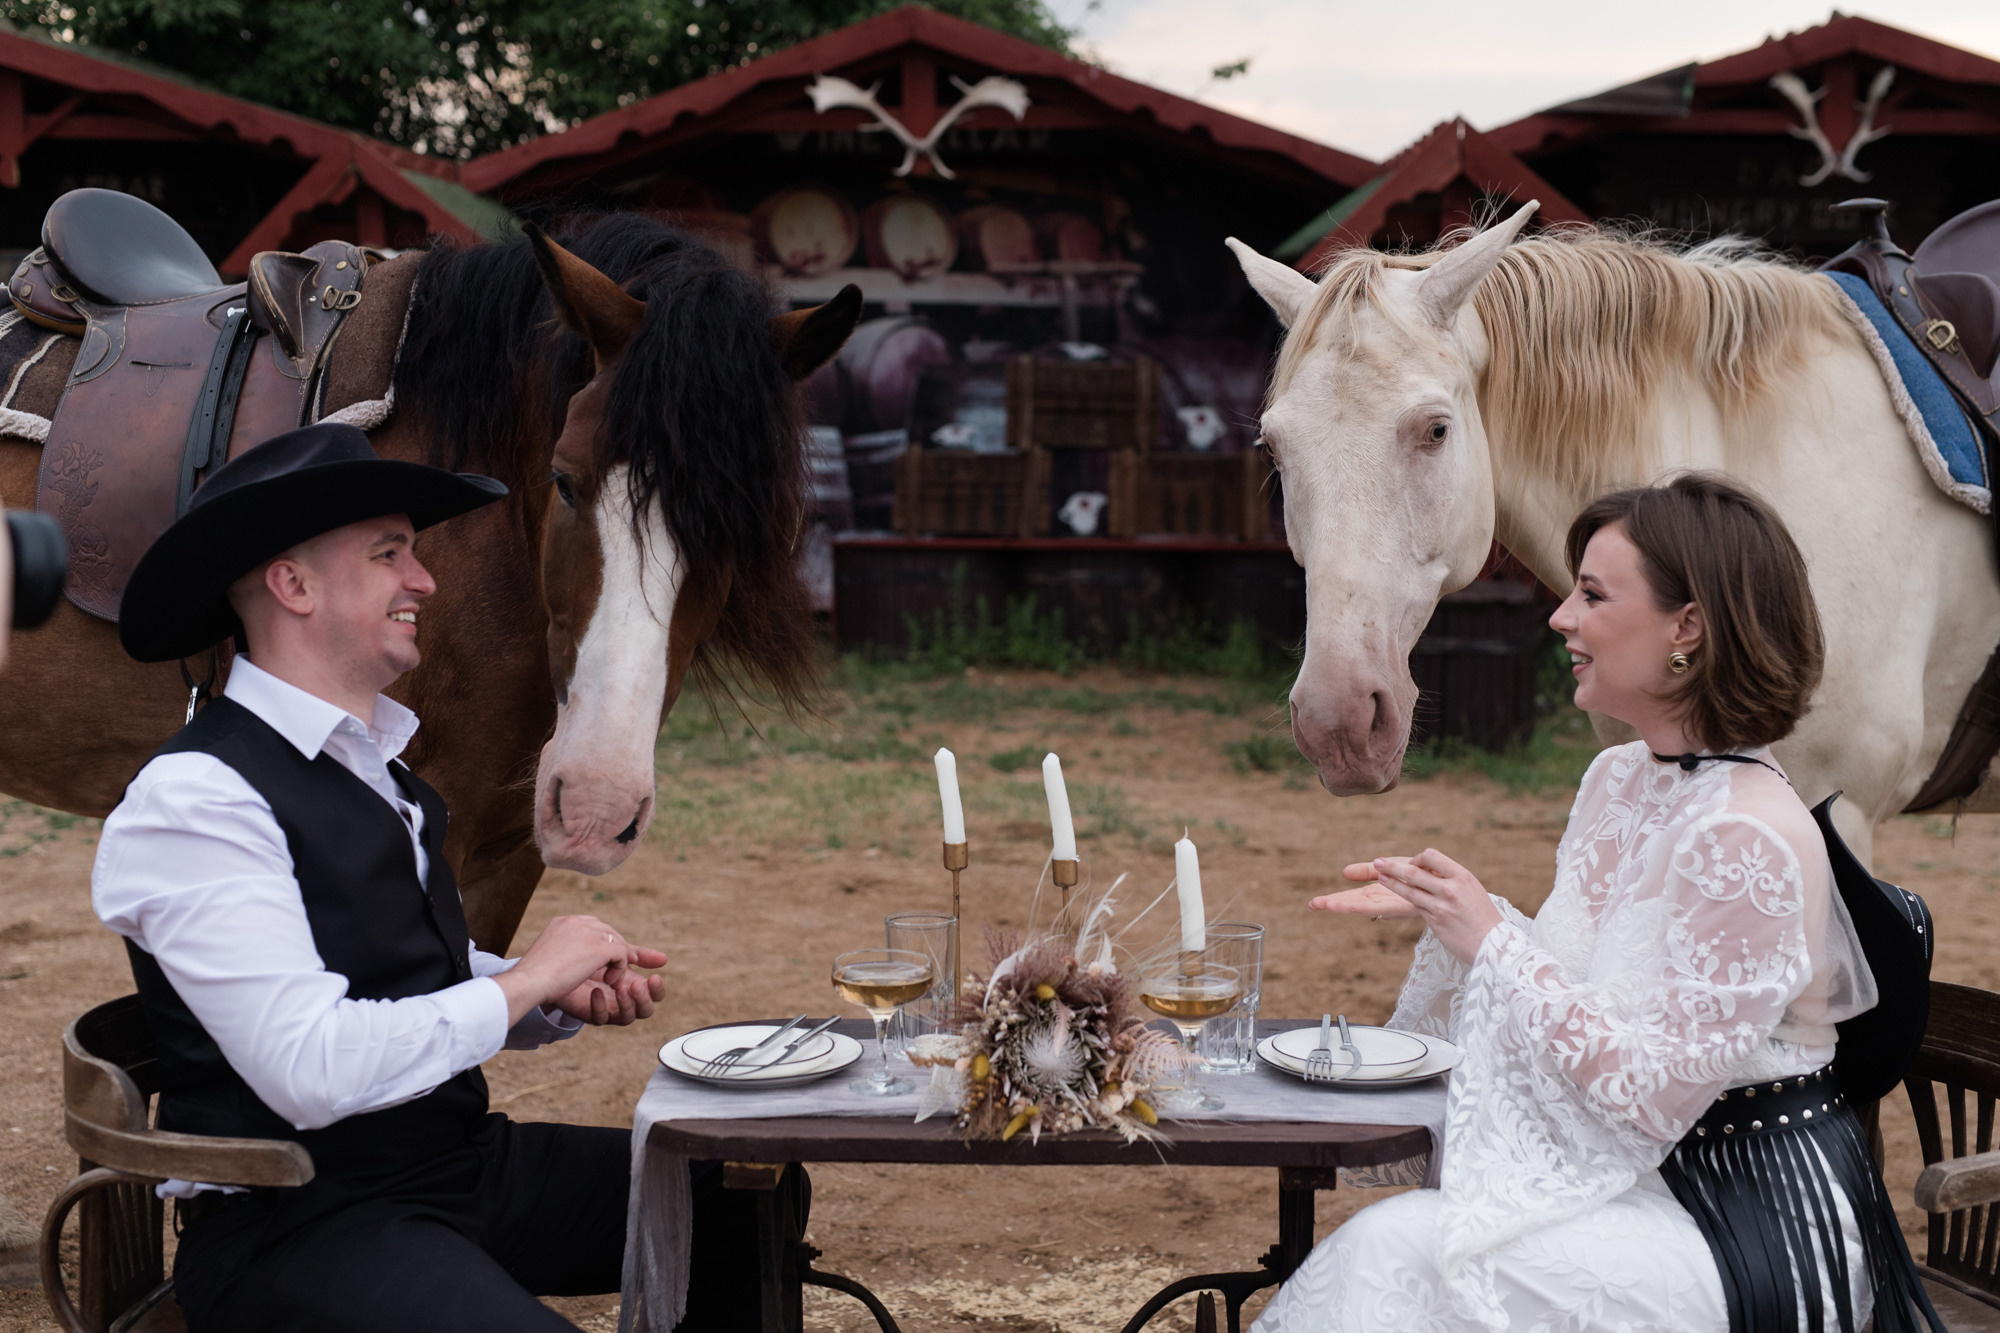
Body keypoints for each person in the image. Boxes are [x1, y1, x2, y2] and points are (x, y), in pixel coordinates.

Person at [92, 423, 747, 1332]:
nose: (425, 580)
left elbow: (387, 973)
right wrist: (520, 978)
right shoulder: (196, 799)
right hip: (296, 1220)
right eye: (390, 553)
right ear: (293, 583)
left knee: (740, 1197)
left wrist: (545, 996)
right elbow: (309, 1068)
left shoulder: (377, 770)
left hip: (450, 1165)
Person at [1254, 473, 1939, 1333]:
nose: (1560, 617)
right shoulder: (1617, 777)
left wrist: (1494, 939)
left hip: (1747, 1222)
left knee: (1399, 1251)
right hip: (1633, 1176)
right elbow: (1596, 983)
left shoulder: (1750, 834)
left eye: (1592, 593)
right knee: (1401, 1249)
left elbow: (1655, 1092)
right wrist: (1460, 915)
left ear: (1687, 625)